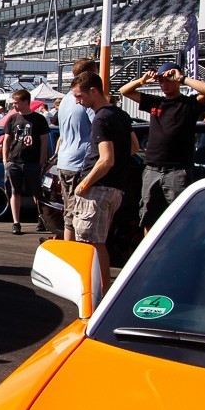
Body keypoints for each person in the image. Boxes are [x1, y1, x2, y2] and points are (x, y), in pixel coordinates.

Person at [120, 62, 205, 231]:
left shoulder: (189, 104)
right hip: (152, 169)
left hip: (177, 171)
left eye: (168, 80)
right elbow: (124, 91)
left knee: (181, 220)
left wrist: (182, 78)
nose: (164, 84)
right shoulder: (156, 102)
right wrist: (142, 80)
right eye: (161, 81)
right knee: (149, 219)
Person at [70, 71, 133, 295]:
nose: (78, 102)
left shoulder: (101, 118)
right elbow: (134, 147)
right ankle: (101, 290)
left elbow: (106, 159)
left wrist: (85, 184)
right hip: (113, 187)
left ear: (93, 91)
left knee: (92, 242)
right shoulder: (120, 115)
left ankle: (101, 293)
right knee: (96, 240)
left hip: (99, 188)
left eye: (79, 96)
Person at [53, 58, 98, 242]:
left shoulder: (65, 100)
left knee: (70, 211)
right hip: (81, 161)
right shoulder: (85, 100)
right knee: (80, 214)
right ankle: (73, 250)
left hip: (65, 160)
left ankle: (69, 246)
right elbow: (99, 128)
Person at [2, 89, 50, 235]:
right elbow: (6, 140)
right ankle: (16, 222)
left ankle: (41, 218)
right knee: (15, 192)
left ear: (26, 102)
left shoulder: (39, 119)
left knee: (37, 192)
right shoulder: (12, 118)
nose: (14, 105)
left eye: (16, 103)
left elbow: (44, 141)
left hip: (32, 162)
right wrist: (5, 159)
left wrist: (42, 161)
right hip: (14, 161)